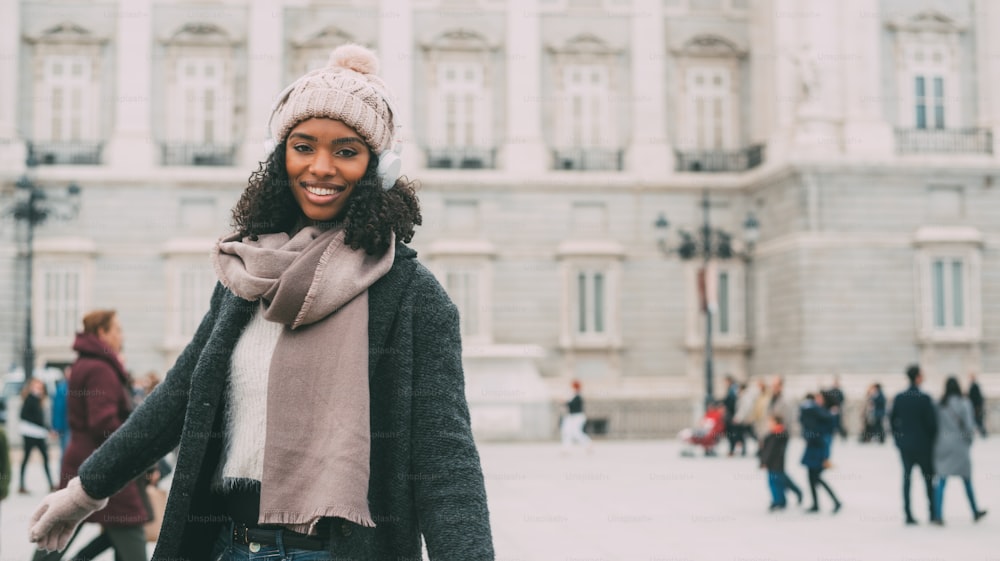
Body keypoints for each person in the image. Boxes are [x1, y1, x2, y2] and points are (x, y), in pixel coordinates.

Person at [29, 44, 494, 560]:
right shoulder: (246, 275)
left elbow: (444, 456)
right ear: (280, 156)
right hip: (229, 545)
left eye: (346, 150)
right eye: (303, 146)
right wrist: (85, 492)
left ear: (376, 167)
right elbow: (177, 397)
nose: (321, 167)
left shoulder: (409, 295)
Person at [30, 310, 150, 561]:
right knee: (128, 530)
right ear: (102, 333)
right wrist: (136, 447)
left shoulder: (88, 363)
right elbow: (103, 423)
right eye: (116, 330)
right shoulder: (100, 368)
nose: (121, 335)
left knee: (61, 525)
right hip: (102, 464)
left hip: (85, 460)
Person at [931, 376, 987, 525]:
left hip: (942, 445)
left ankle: (938, 514)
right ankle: (974, 510)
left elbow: (933, 424)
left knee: (941, 480)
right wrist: (969, 442)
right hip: (959, 445)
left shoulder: (939, 404)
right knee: (967, 479)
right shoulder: (964, 403)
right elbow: (969, 426)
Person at [890, 364, 939, 525]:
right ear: (917, 377)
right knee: (928, 480)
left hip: (906, 446)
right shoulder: (925, 398)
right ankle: (932, 513)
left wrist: (898, 440)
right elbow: (932, 424)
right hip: (924, 446)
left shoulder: (899, 397)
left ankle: (908, 514)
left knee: (907, 479)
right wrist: (932, 441)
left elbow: (892, 421)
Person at [799, 393, 842, 513]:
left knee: (816, 477)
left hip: (819, 450)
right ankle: (816, 503)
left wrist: (825, 456)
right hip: (813, 448)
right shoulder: (818, 412)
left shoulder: (826, 415)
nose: (816, 400)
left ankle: (835, 501)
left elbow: (827, 438)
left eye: (819, 398)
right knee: (811, 478)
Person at [19, 378, 55, 494]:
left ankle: (50, 484)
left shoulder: (39, 400)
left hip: (39, 434)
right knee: (26, 458)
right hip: (30, 434)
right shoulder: (30, 399)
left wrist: (47, 428)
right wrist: (46, 428)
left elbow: (41, 418)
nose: (38, 389)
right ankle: (21, 485)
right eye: (36, 386)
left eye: (40, 387)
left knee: (45, 458)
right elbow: (24, 415)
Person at [758, 414, 790, 512]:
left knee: (774, 483)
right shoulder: (774, 434)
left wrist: (764, 462)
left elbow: (769, 451)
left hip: (774, 464)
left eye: (771, 422)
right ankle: (781, 501)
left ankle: (778, 501)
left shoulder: (777, 434)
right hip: (776, 464)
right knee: (779, 482)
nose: (769, 424)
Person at [561, 380, 592, 452]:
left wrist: (565, 402)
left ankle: (588, 444)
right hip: (570, 416)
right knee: (567, 432)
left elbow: (572, 405)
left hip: (577, 416)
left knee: (576, 432)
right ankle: (566, 448)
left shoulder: (578, 396)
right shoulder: (572, 395)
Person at [52, 366, 71, 464]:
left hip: (73, 425)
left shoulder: (76, 386)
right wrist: (55, 427)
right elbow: (57, 409)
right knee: (65, 451)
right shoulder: (61, 388)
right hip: (64, 426)